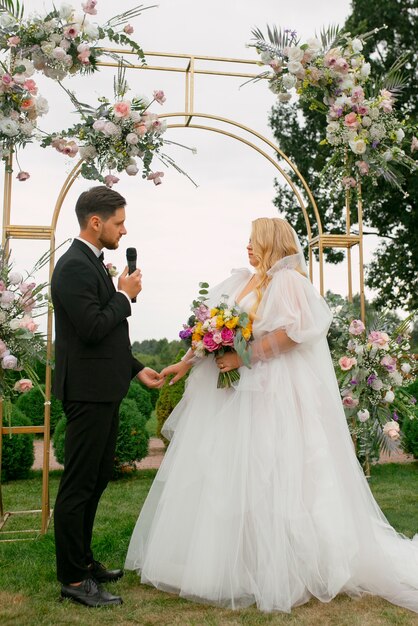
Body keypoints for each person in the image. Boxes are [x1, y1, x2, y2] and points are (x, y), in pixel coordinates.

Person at [125, 217, 418, 614]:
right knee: (231, 472)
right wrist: (184, 364)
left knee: (272, 469)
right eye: (246, 241)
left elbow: (295, 334)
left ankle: (285, 564)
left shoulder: (289, 282)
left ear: (272, 243)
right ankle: (234, 560)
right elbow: (211, 331)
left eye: (254, 241)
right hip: (236, 396)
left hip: (272, 391)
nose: (247, 247)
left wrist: (243, 356)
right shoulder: (242, 281)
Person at [51, 185, 163, 607]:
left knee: (96, 480)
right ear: (95, 222)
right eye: (118, 222)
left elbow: (107, 336)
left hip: (104, 389)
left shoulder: (91, 263)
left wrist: (136, 370)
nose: (124, 229)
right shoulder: (72, 268)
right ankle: (74, 581)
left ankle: (83, 562)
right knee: (78, 486)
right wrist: (124, 295)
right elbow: (94, 327)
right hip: (86, 393)